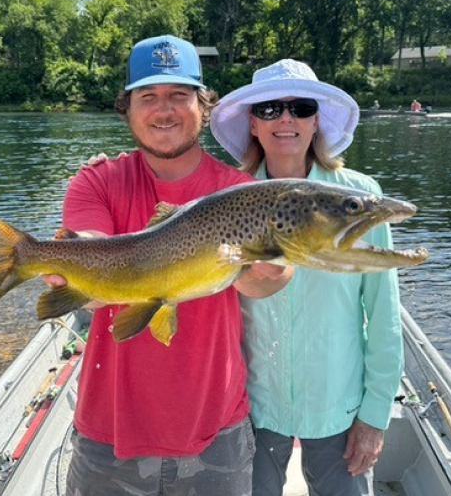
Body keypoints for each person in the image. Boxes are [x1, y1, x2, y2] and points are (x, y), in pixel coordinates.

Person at [44, 35, 291, 496]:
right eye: (148, 97)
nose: (164, 111)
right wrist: (71, 260)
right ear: (127, 108)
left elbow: (260, 285)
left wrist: (272, 269)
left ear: (204, 106)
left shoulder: (237, 191)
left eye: (180, 96)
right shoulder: (95, 181)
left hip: (216, 432)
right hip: (109, 432)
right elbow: (93, 242)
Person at [210, 59, 404, 496]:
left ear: (316, 121)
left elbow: (385, 317)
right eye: (269, 109)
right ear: (252, 124)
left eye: (299, 107)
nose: (286, 119)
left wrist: (374, 416)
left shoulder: (361, 200)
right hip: (253, 409)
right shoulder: (223, 201)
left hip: (338, 408)